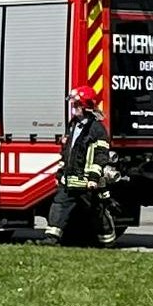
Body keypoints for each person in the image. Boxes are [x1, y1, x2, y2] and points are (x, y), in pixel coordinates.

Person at [51, 86, 122, 245]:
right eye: (74, 105)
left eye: (77, 105)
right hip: (70, 180)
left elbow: (101, 155)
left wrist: (93, 178)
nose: (74, 108)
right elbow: (68, 153)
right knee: (59, 205)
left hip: (88, 182)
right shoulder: (73, 125)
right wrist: (60, 174)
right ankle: (51, 238)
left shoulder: (97, 129)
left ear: (86, 106)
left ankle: (107, 241)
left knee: (97, 212)